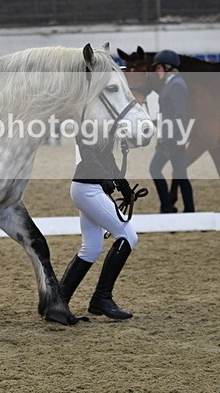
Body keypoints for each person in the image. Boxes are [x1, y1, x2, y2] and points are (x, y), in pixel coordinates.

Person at [59, 133, 140, 320]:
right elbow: (87, 153)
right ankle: (102, 297)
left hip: (87, 187)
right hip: (88, 188)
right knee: (128, 235)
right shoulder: (87, 123)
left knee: (91, 248)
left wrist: (124, 187)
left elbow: (108, 158)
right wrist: (102, 177)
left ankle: (59, 301)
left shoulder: (104, 124)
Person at [149, 49, 195, 213]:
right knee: (180, 173)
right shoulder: (172, 83)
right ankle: (189, 210)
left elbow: (179, 114)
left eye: (159, 68)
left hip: (173, 137)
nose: (156, 71)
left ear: (168, 67)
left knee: (154, 168)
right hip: (176, 135)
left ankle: (167, 207)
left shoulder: (176, 84)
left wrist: (165, 137)